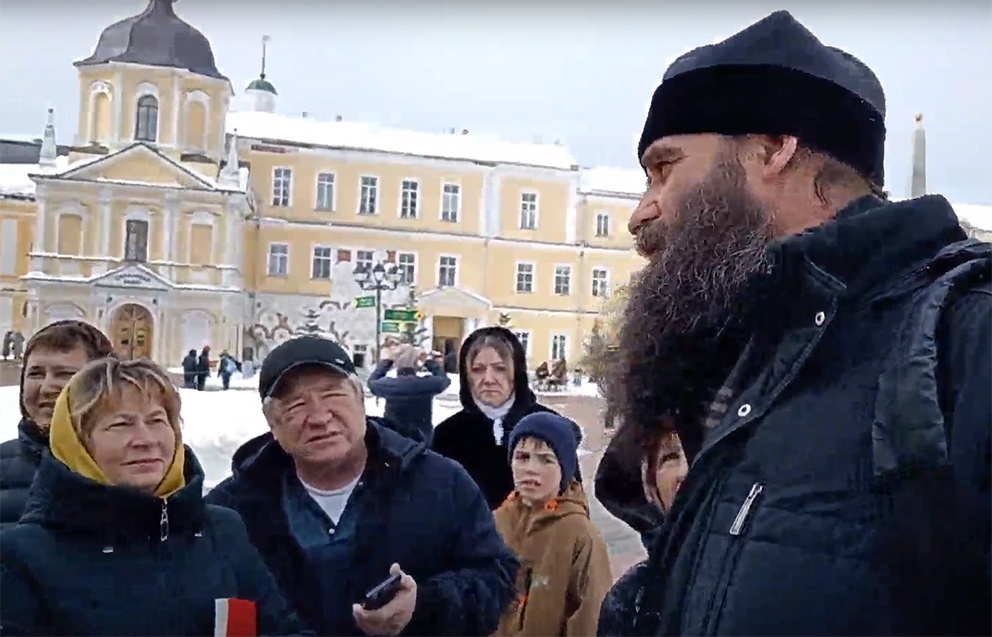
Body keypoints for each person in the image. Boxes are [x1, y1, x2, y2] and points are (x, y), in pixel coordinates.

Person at [598, 10, 990, 635]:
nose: (641, 212)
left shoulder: (967, 334)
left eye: (664, 168)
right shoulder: (740, 355)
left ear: (774, 146)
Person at [205, 335, 518, 636]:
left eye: (332, 394)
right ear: (273, 424)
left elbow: (497, 577)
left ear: (361, 401)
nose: (319, 417)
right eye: (296, 404)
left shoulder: (440, 483)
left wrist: (423, 605)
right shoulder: (231, 511)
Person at [0, 357, 308, 636]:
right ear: (78, 444)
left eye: (157, 421)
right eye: (121, 424)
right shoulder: (23, 557)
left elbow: (283, 630)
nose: (146, 440)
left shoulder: (222, 531)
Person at [492, 413, 612, 637]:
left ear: (564, 468)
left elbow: (591, 621)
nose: (531, 468)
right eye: (522, 457)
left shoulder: (580, 535)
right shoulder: (495, 523)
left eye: (546, 459)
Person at [432, 327, 564, 510]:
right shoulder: (446, 435)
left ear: (516, 372)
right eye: (478, 369)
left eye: (500, 369)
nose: (488, 379)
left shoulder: (548, 427)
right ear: (466, 376)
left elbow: (573, 501)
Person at [0, 320, 114, 530]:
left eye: (64, 374)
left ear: (104, 385)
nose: (46, 388)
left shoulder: (138, 466)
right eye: (35, 374)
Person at [596, 429, 688, 636]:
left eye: (697, 451)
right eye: (670, 457)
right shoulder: (630, 599)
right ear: (651, 489)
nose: (683, 471)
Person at [366, 344, 451, 445]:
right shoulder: (426, 384)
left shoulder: (389, 385)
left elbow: (371, 382)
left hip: (395, 441)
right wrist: (428, 362)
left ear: (396, 364)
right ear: (416, 363)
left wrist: (387, 362)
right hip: (422, 441)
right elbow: (444, 380)